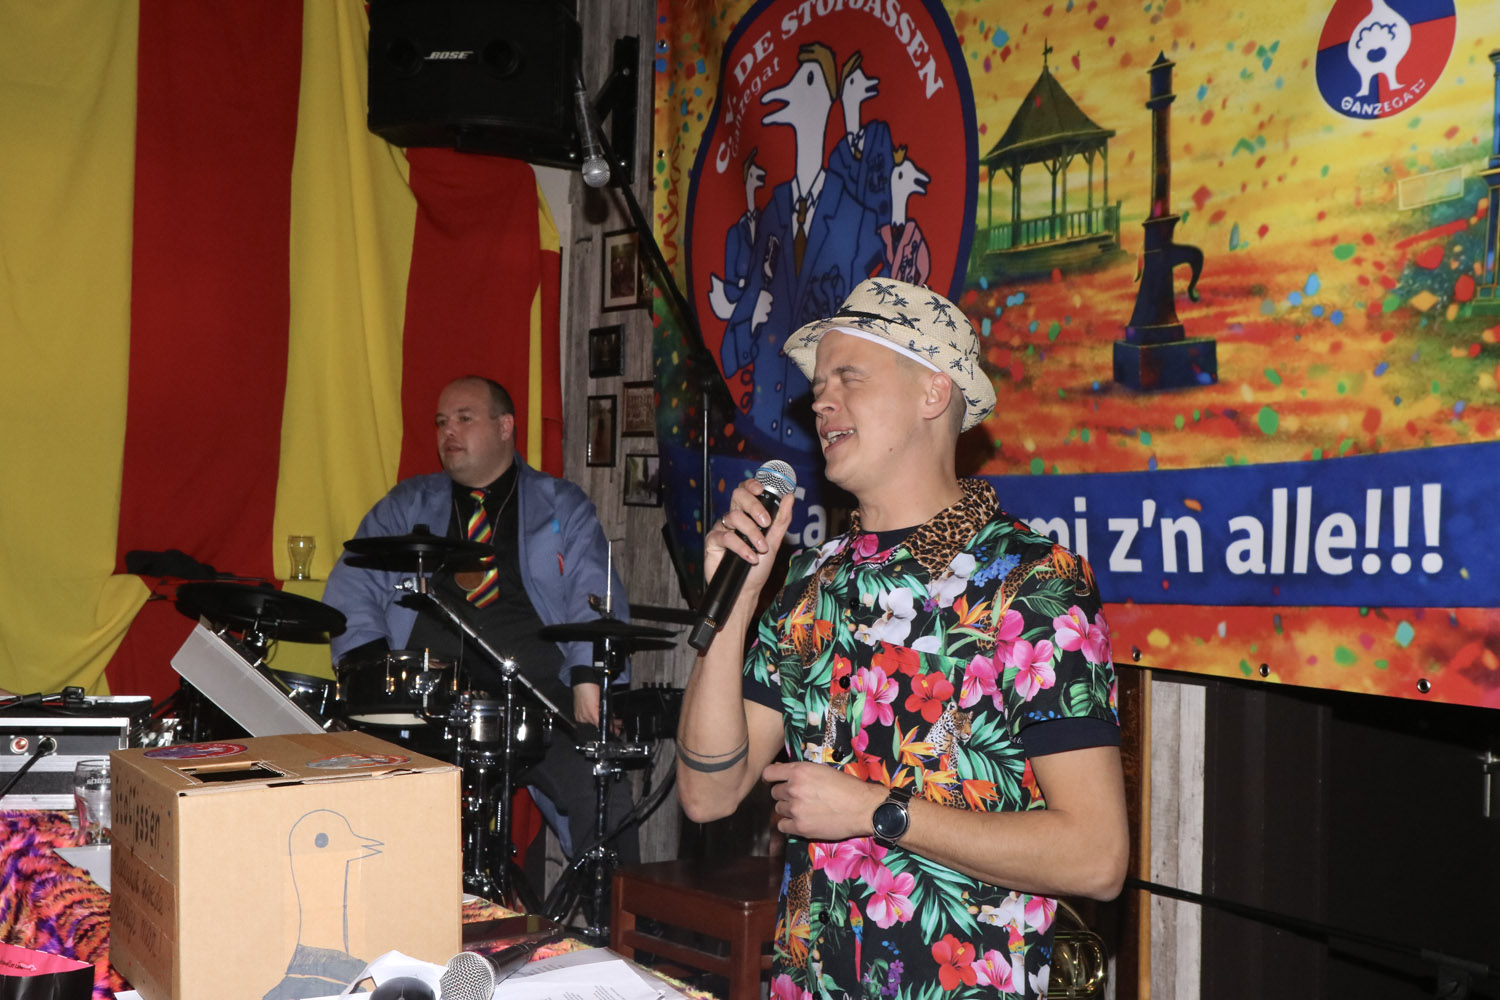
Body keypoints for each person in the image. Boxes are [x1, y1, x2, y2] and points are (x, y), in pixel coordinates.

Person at [677, 279, 1128, 999]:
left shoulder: (1034, 584)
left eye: (849, 376)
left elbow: (1097, 856)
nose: (821, 401)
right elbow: (707, 794)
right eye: (818, 386)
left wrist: (875, 812)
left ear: (933, 392)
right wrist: (735, 603)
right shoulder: (810, 583)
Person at [323, 375, 637, 867]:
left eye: (464, 419)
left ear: (505, 426)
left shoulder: (561, 504)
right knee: (367, 796)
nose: (448, 432)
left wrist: (587, 678)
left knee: (602, 789)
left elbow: (595, 593)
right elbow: (352, 588)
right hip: (430, 702)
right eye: (441, 422)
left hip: (537, 698)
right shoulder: (407, 504)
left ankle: (611, 910)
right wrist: (376, 673)